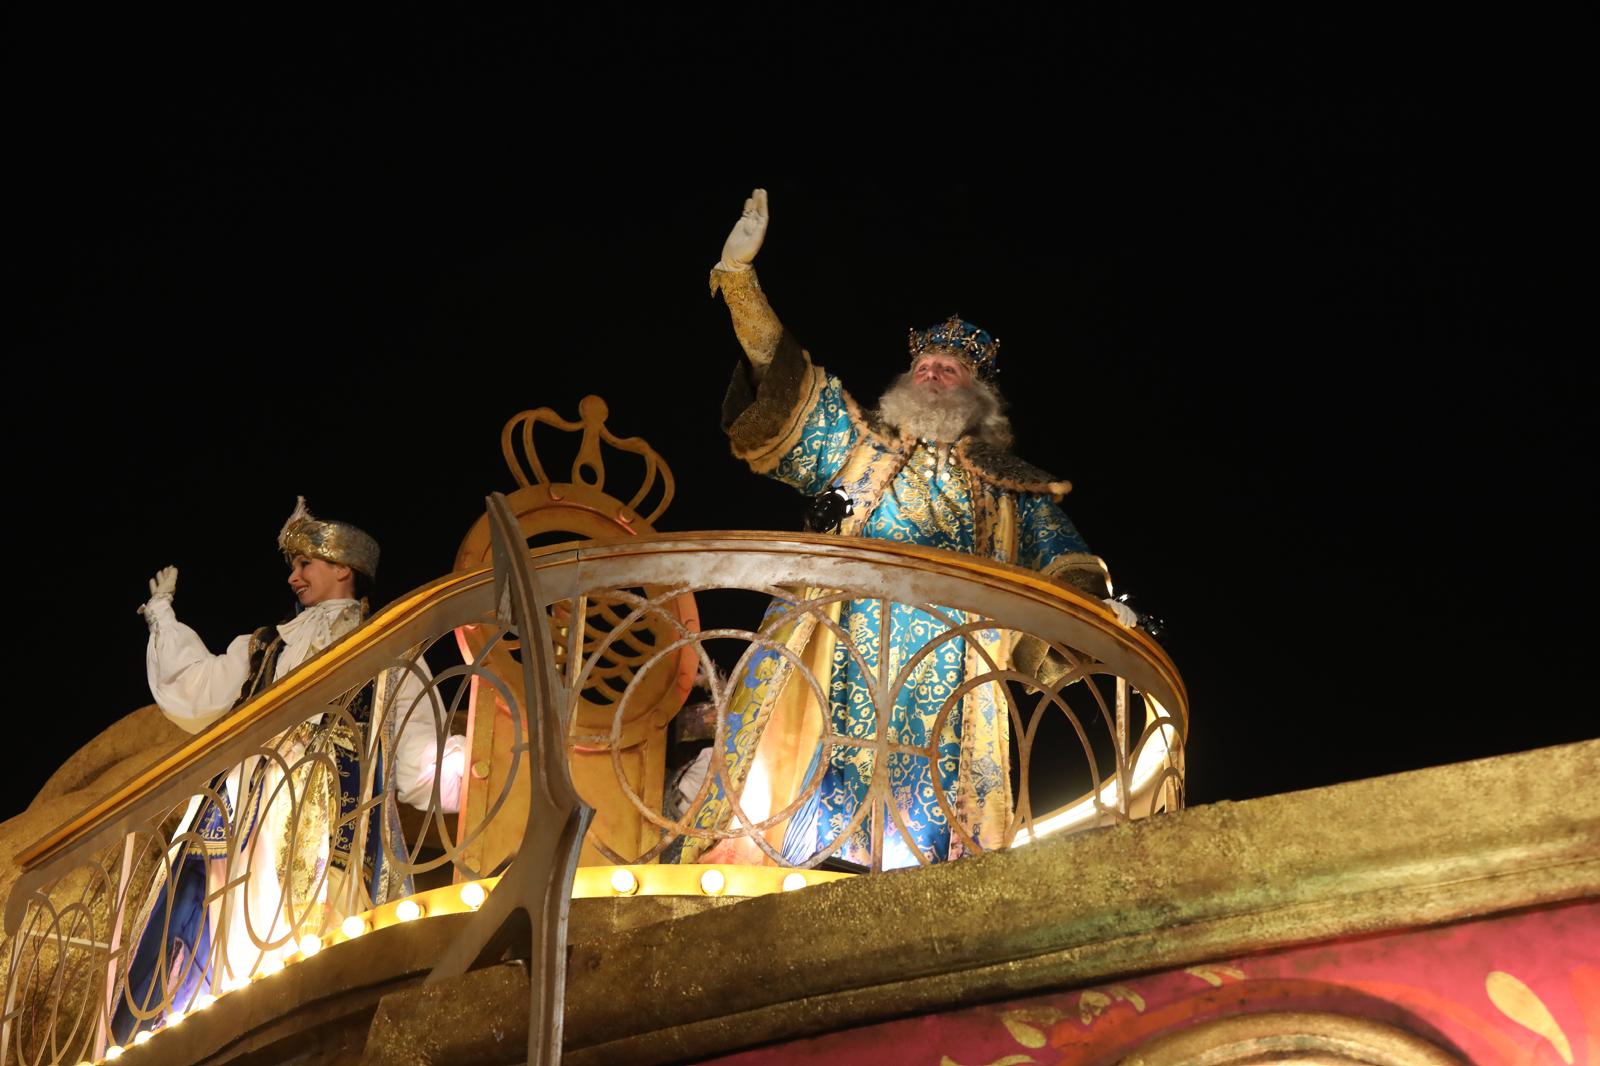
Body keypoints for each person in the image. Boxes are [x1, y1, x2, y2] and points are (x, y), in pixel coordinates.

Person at [687, 189, 1137, 870]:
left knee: (940, 841)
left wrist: (1102, 612)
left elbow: (1063, 564)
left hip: (955, 664)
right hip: (841, 646)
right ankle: (790, 855)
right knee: (794, 797)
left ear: (975, 395)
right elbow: (783, 382)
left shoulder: (1011, 489)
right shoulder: (860, 447)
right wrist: (743, 283)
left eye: (948, 371)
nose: (931, 374)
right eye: (924, 366)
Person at [112, 499, 465, 1040]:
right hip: (244, 806)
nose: (293, 577)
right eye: (293, 566)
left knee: (306, 934)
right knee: (222, 917)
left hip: (329, 813)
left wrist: (476, 764)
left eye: (305, 565)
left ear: (342, 568)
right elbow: (200, 685)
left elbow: (420, 758)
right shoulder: (268, 646)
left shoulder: (389, 647)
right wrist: (162, 616)